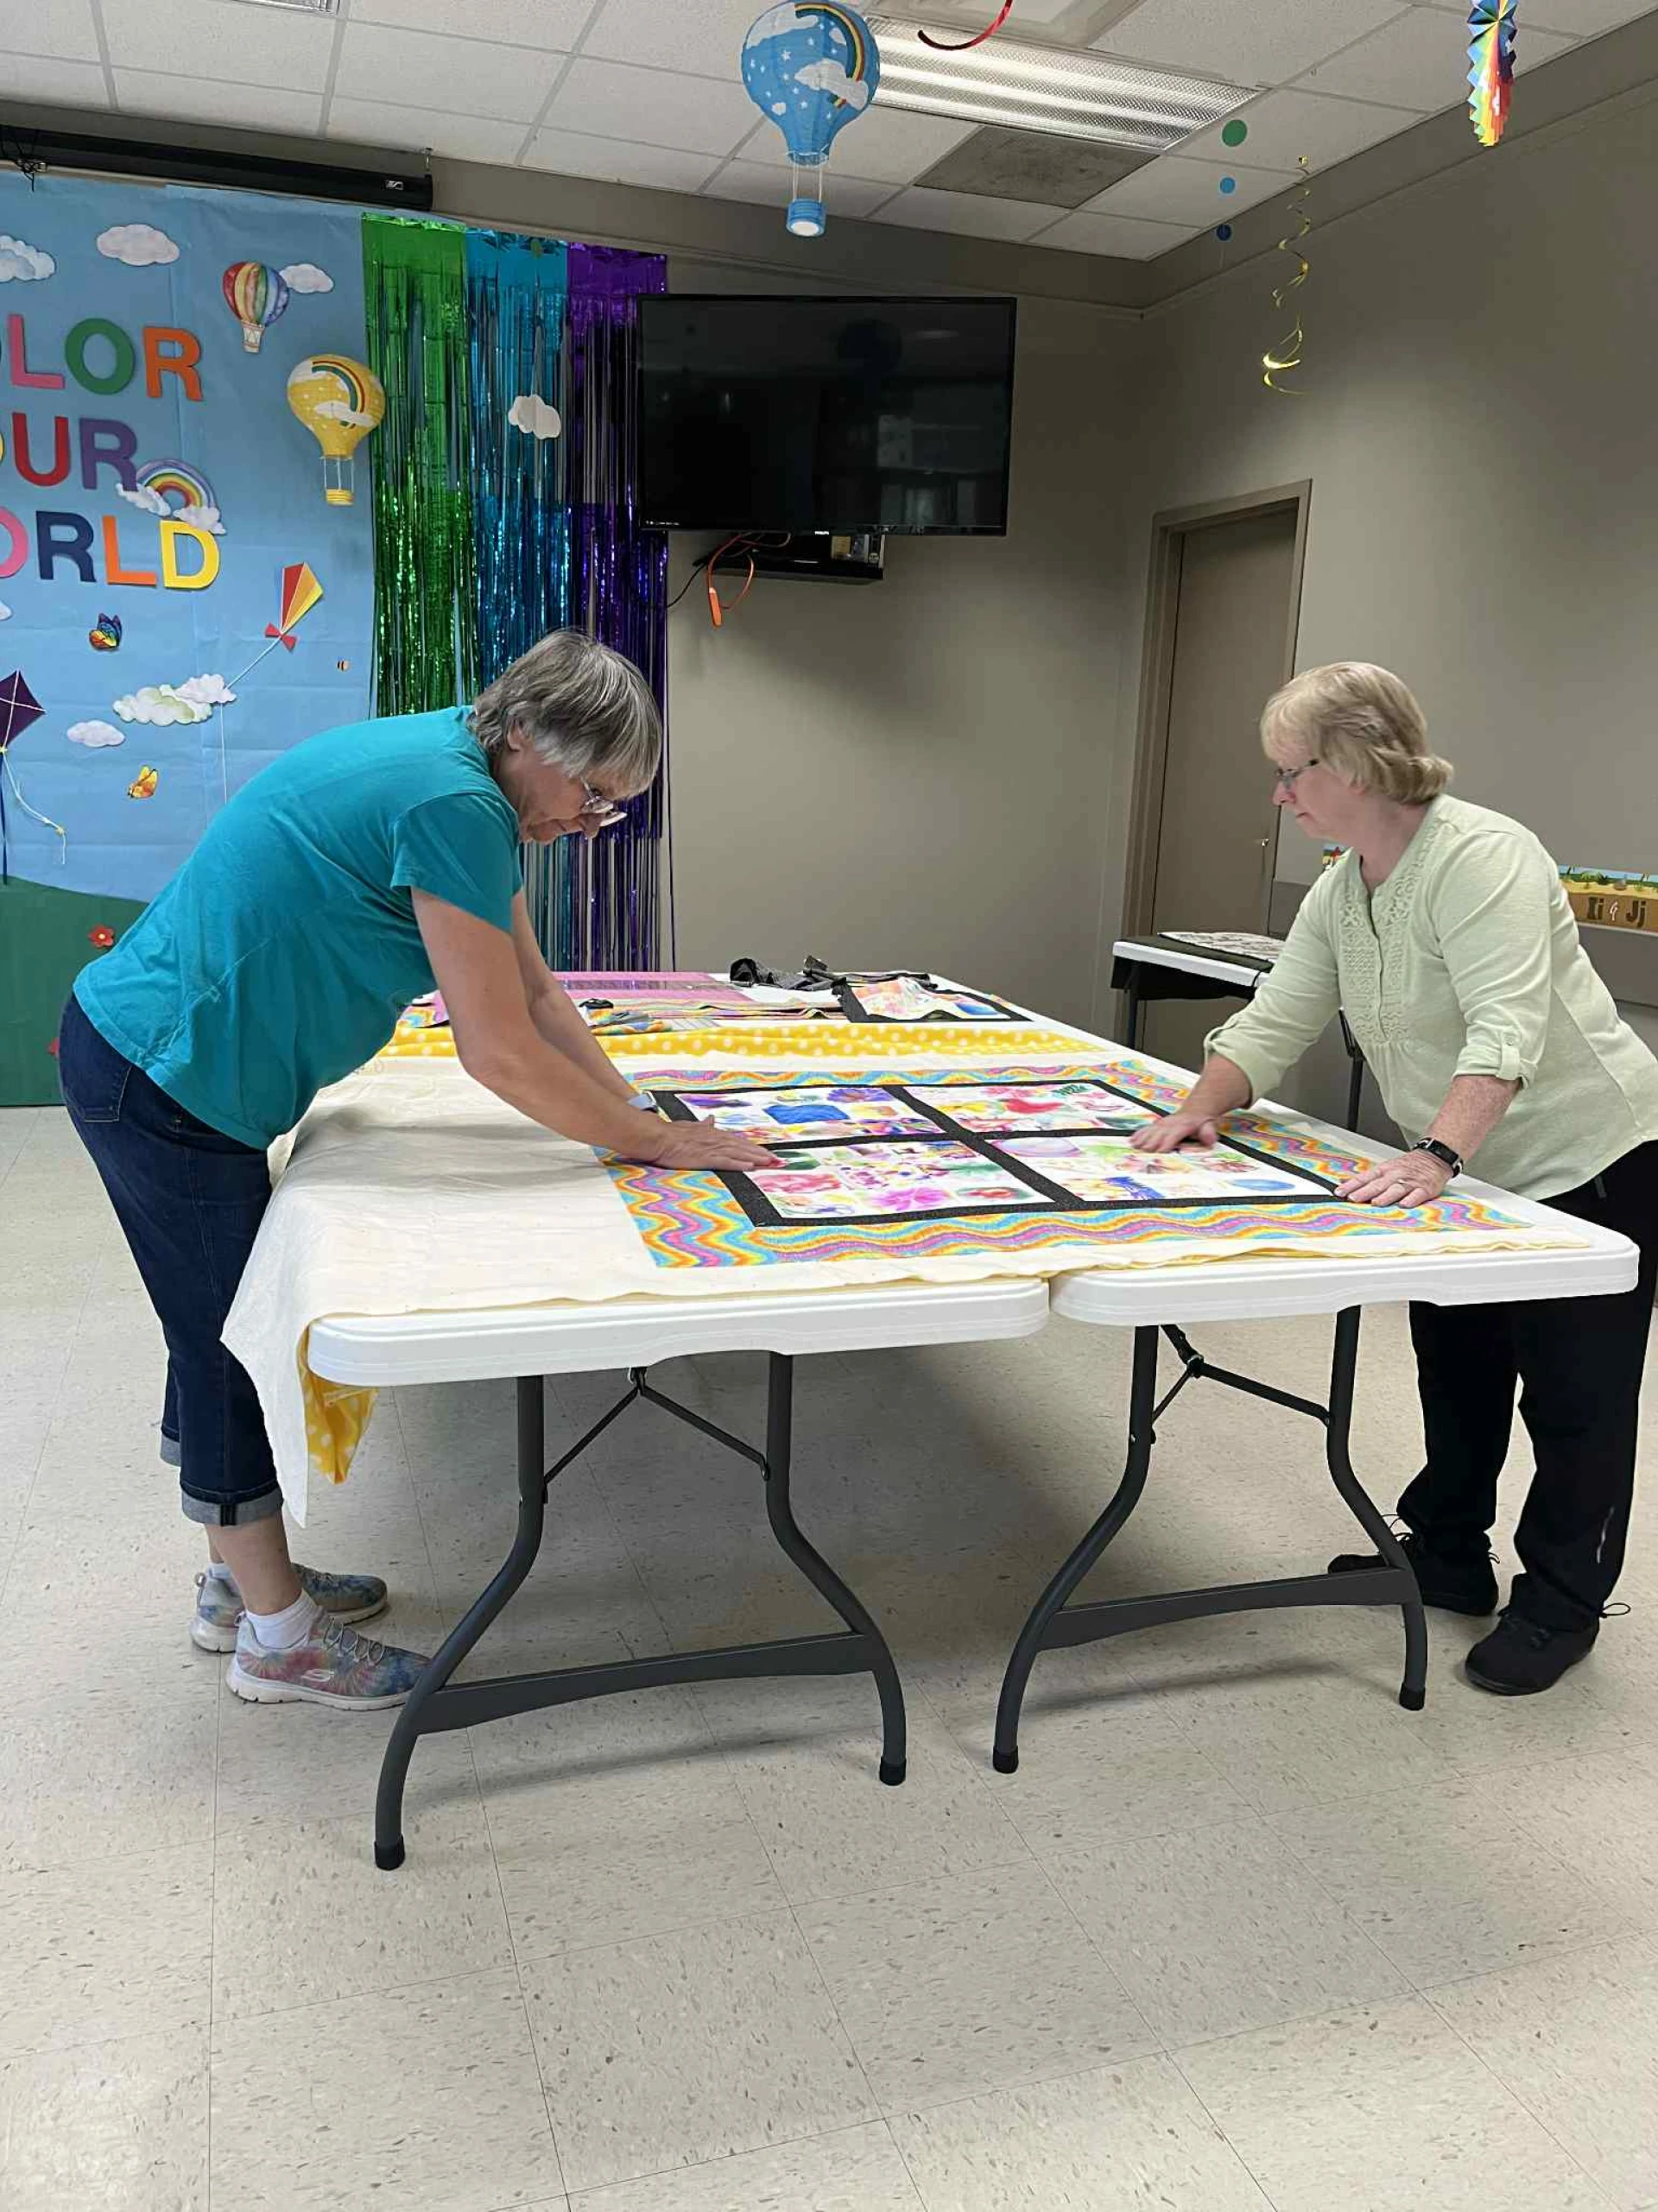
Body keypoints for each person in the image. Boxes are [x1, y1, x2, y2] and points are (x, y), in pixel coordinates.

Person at [58, 631, 775, 1711]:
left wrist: (630, 1112)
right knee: (230, 1348)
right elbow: (492, 1049)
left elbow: (534, 992)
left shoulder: (462, 766)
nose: (587, 824)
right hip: (162, 1078)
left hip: (165, 1068)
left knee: (219, 1328)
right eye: (590, 795)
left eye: (610, 808)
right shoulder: (458, 806)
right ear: (529, 735)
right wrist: (656, 1144)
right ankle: (276, 1639)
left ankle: (236, 1580)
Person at [1132, 661, 1658, 1694]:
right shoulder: (1346, 882)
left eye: (1292, 772)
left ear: (1358, 765)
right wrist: (1203, 1104)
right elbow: (1281, 1010)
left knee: (1575, 1398)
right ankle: (1450, 1555)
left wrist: (1437, 1154)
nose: (1279, 796)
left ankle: (1561, 1606)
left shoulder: (1487, 858)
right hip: (1472, 1171)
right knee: (1455, 1363)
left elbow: (1509, 1027)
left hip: (1589, 1159)